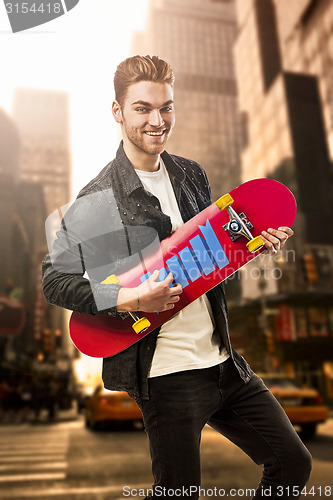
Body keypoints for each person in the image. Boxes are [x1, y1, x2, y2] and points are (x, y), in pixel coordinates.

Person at [42, 55, 311, 498]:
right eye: (143, 108)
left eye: (166, 107)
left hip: (223, 361)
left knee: (293, 462)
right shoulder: (97, 199)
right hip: (166, 375)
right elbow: (55, 280)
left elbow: (213, 263)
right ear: (118, 112)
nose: (158, 120)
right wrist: (127, 297)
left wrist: (255, 246)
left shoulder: (191, 174)